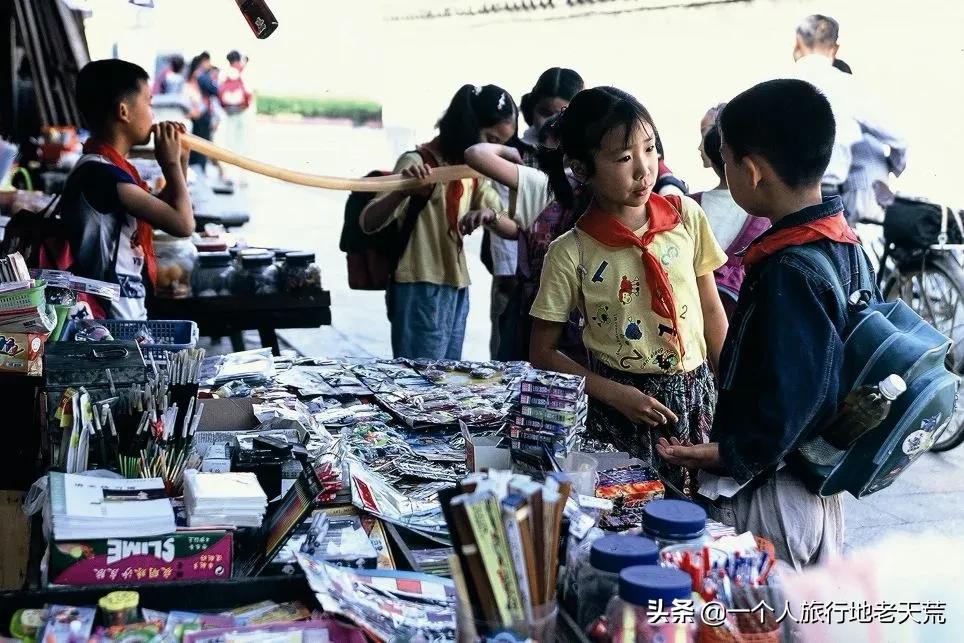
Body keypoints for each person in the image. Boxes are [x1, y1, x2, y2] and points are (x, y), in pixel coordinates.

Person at [657, 79, 864, 568]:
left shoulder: (788, 270)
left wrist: (721, 454)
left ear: (751, 172)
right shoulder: (844, 244)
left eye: (727, 160)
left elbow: (790, 404)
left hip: (773, 498)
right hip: (818, 492)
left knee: (759, 608)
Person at [529, 87, 729, 495]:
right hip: (617, 411)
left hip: (697, 400)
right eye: (623, 158)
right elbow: (542, 351)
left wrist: (731, 390)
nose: (643, 169)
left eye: (650, 149)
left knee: (698, 511)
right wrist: (614, 393)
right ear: (581, 168)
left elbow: (711, 311)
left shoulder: (686, 217)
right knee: (630, 510)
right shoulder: (571, 251)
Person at [359, 84, 514, 360]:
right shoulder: (417, 162)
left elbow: (511, 227)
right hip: (419, 284)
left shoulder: (471, 171)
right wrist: (402, 191)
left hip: (457, 285)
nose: (493, 152)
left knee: (448, 379)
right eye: (491, 140)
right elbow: (368, 222)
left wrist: (491, 216)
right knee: (421, 377)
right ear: (468, 126)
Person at [60, 59, 193, 320]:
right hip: (109, 321)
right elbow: (182, 224)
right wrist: (170, 165)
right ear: (124, 111)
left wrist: (180, 164)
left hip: (123, 313)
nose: (153, 115)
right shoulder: (101, 175)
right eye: (149, 103)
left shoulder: (106, 168)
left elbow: (163, 211)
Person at [474, 68, 585, 360]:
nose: (551, 120)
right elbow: (507, 220)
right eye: (545, 111)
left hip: (567, 289)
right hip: (514, 276)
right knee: (509, 357)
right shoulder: (518, 153)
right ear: (531, 107)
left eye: (562, 112)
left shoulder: (584, 168)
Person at [791, 14, 905, 206]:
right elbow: (899, 140)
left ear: (797, 42)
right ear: (835, 49)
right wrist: (892, 168)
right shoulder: (851, 87)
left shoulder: (773, 82)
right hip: (826, 195)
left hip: (781, 197)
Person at [690, 122, 769, 317]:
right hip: (744, 314)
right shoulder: (764, 214)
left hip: (695, 311)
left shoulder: (689, 206)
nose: (699, 148)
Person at [831, 59, 907, 225]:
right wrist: (893, 167)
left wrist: (893, 167)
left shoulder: (847, 108)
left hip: (859, 195)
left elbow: (900, 141)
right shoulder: (857, 107)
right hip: (872, 192)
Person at [218, 50, 254, 185]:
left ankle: (228, 175)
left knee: (228, 144)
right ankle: (243, 178)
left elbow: (219, 92)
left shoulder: (224, 73)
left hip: (229, 113)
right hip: (242, 112)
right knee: (243, 145)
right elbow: (250, 92)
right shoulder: (244, 72)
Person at [186, 52, 218, 172]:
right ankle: (199, 169)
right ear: (204, 61)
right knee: (202, 144)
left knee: (196, 143)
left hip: (196, 114)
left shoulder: (194, 75)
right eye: (208, 62)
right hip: (202, 113)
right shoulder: (202, 75)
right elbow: (214, 90)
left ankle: (195, 168)